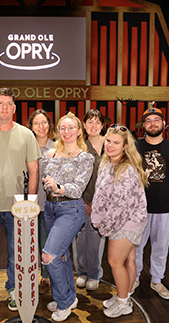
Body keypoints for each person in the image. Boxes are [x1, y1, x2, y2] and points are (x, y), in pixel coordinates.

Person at [0, 88, 42, 312]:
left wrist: (29, 203)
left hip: (18, 208)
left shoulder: (26, 135)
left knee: (16, 254)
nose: (4, 107)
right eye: (0, 103)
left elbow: (34, 170)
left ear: (14, 108)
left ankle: (14, 289)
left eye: (8, 103)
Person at [91, 125, 148, 318]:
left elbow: (120, 207)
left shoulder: (127, 169)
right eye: (108, 141)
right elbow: (101, 194)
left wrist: (102, 225)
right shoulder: (107, 163)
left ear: (125, 146)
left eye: (116, 143)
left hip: (127, 222)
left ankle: (124, 303)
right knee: (129, 260)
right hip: (121, 220)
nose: (110, 145)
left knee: (115, 262)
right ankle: (125, 295)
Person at [42, 112, 94, 322]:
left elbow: (78, 188)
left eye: (71, 128)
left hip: (70, 209)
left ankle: (63, 303)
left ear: (79, 131)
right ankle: (69, 297)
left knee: (49, 256)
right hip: (49, 207)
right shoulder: (51, 154)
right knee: (62, 256)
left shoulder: (85, 157)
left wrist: (59, 187)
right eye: (63, 128)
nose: (66, 132)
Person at [134, 107, 169, 300]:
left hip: (165, 210)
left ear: (164, 124)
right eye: (148, 121)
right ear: (143, 125)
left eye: (157, 120)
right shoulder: (134, 147)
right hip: (138, 210)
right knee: (136, 248)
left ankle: (157, 281)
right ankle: (134, 278)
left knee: (160, 248)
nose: (153, 123)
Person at [73, 109, 106, 291]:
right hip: (82, 201)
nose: (93, 125)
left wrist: (99, 203)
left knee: (96, 241)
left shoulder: (110, 145)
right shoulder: (80, 146)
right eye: (90, 122)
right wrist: (84, 202)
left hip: (104, 202)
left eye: (97, 122)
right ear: (83, 125)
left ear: (102, 125)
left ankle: (94, 274)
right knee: (80, 239)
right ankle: (82, 272)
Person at [26, 109, 56, 294]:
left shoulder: (57, 147)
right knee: (28, 242)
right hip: (28, 202)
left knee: (46, 242)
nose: (41, 126)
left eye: (44, 122)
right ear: (31, 126)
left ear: (49, 125)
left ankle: (45, 277)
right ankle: (28, 275)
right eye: (37, 123)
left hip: (48, 203)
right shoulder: (26, 146)